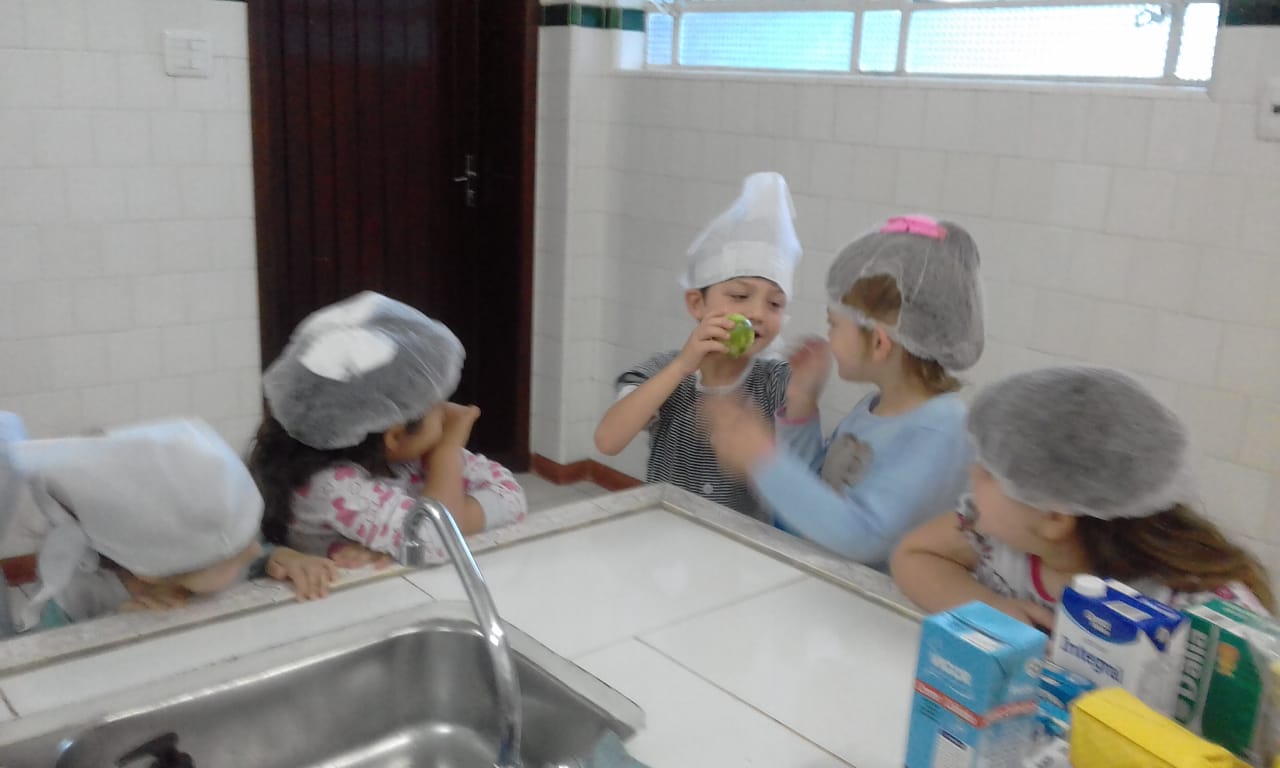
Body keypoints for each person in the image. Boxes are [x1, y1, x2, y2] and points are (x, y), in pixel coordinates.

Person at [891, 367, 1275, 628]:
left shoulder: (1193, 606)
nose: (971, 473)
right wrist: (991, 608)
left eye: (991, 471)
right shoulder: (994, 538)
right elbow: (913, 556)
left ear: (1055, 517)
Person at [706, 214, 983, 568]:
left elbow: (863, 538)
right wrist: (802, 406)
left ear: (879, 343)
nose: (828, 335)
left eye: (833, 323)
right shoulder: (876, 408)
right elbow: (815, 501)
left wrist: (762, 458)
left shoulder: (940, 430)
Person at [248, 291, 527, 565]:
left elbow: (511, 496)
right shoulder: (327, 484)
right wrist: (448, 452)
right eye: (437, 404)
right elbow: (434, 541)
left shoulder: (407, 455)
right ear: (394, 434)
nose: (448, 412)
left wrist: (453, 519)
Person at [0, 417, 336, 634]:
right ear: (151, 571)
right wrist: (116, 629)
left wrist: (282, 558)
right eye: (238, 551)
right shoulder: (78, 596)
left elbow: (248, 558)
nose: (254, 549)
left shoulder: (200, 557)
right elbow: (43, 667)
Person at [595, 172, 800, 522]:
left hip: (738, 541)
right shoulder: (664, 371)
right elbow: (608, 441)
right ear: (696, 304)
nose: (757, 313)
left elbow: (795, 479)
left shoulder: (778, 381)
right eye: (740, 296)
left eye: (775, 303)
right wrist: (681, 368)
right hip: (663, 532)